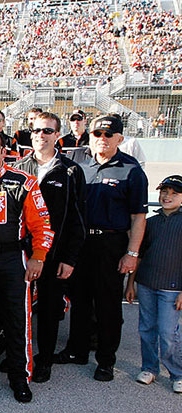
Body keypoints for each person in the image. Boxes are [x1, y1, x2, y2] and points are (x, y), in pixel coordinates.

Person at [57, 114, 148, 381]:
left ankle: (106, 360)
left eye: (109, 135)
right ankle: (77, 350)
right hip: (81, 243)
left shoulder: (131, 170)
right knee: (80, 300)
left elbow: (138, 217)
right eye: (97, 134)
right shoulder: (79, 166)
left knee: (108, 305)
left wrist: (132, 254)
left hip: (111, 244)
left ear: (120, 138)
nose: (102, 139)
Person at [0, 131, 54, 403]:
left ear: (4, 151)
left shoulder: (24, 181)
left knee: (17, 319)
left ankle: (20, 376)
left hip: (12, 257)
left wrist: (38, 256)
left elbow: (42, 224)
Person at [14, 112, 87, 383]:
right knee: (16, 307)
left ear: (57, 135)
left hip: (54, 254)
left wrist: (70, 258)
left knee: (48, 308)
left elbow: (79, 219)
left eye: (47, 131)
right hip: (20, 252)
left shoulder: (71, 171)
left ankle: (44, 360)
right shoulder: (19, 168)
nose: (40, 136)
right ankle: (17, 355)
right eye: (36, 131)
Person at [125, 175, 182, 394]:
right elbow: (138, 256)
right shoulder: (151, 223)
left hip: (172, 288)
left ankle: (177, 373)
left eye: (174, 193)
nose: (167, 197)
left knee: (168, 333)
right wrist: (131, 284)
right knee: (146, 329)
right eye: (164, 192)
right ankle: (149, 368)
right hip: (147, 284)